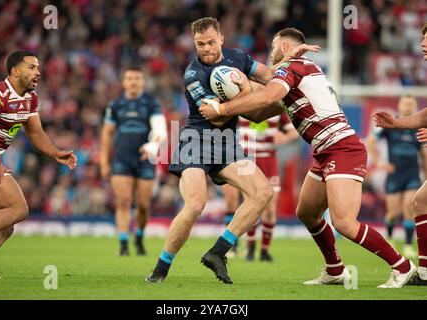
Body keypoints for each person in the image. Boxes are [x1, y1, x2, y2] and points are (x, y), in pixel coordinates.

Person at [200, 27, 417, 288]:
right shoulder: (296, 74)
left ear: (283, 48)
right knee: (307, 213)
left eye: (272, 46)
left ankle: (403, 268)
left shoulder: (292, 67)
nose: (270, 52)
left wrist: (222, 107)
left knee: (345, 222)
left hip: (342, 148)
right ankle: (335, 270)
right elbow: (259, 113)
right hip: (325, 150)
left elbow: (269, 95)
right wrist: (241, 96)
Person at [145, 17, 275, 285]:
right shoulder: (193, 74)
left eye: (211, 42)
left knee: (262, 192)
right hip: (197, 141)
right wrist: (247, 91)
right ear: (194, 43)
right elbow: (215, 117)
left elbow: (270, 77)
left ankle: (218, 252)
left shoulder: (238, 57)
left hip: (227, 143)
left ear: (221, 39)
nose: (205, 48)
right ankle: (160, 269)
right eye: (200, 44)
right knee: (195, 204)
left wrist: (277, 85)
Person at [0, 51, 77, 278]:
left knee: (5, 226)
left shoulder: (30, 99)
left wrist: (55, 153)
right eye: (32, 67)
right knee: (19, 208)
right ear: (15, 71)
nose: (38, 72)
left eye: (38, 67)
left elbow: (36, 134)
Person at [372, 23, 427, 286]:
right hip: (397, 172)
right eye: (423, 39)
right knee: (419, 203)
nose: (424, 45)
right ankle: (425, 275)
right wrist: (395, 123)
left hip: (410, 172)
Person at [101, 67, 166, 256]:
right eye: (129, 78)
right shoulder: (115, 105)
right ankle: (123, 244)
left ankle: (138, 236)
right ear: (123, 83)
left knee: (143, 204)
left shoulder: (151, 103)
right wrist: (104, 162)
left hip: (145, 158)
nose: (134, 82)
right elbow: (107, 133)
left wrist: (153, 145)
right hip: (122, 158)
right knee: (123, 201)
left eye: (137, 78)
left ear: (143, 82)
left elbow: (159, 129)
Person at [222, 110, 298, 261]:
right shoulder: (245, 104)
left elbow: (294, 132)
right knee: (250, 204)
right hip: (247, 159)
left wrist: (284, 136)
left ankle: (264, 251)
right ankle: (250, 248)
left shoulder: (276, 107)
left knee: (270, 209)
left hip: (269, 160)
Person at [367, 96, 426, 258]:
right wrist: (379, 163)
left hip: (412, 173)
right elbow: (370, 142)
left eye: (411, 104)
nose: (407, 107)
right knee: (393, 213)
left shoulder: (418, 128)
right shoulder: (390, 125)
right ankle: (390, 238)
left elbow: (423, 153)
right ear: (399, 106)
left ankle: (407, 244)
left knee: (409, 209)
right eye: (405, 104)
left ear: (415, 107)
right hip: (394, 174)